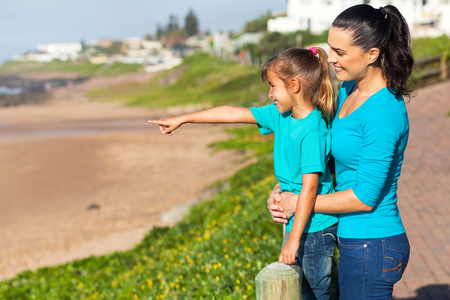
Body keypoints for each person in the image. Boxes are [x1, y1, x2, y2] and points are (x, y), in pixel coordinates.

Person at [149, 47, 338, 300]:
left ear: (294, 85)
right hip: (296, 224)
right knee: (297, 292)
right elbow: (230, 113)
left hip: (316, 229)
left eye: (273, 86)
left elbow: (310, 189)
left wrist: (293, 241)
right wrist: (183, 119)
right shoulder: (281, 116)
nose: (270, 94)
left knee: (314, 294)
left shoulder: (312, 131)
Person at [267, 4, 414, 299]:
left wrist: (300, 203)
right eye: (331, 49)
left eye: (341, 52)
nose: (331, 59)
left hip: (373, 242)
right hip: (353, 239)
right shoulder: (349, 89)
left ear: (372, 54)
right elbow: (325, 156)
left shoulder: (384, 112)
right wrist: (286, 188)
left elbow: (363, 197)